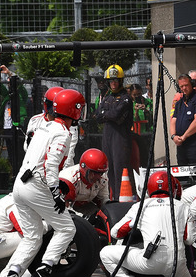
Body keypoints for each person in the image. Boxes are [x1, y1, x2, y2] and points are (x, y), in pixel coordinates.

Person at [0, 88, 85, 277]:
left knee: (32, 235)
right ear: (75, 110)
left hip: (20, 185)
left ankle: (9, 276)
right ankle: (45, 268)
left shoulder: (45, 126)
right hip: (37, 185)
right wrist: (56, 192)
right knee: (67, 228)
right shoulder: (63, 133)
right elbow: (50, 166)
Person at [99, 170, 196, 277]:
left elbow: (116, 233)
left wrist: (133, 224)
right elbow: (190, 240)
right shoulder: (184, 206)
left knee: (105, 253)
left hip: (149, 262)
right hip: (176, 262)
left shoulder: (140, 206)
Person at [94, 65, 134, 199]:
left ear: (121, 81)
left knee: (119, 169)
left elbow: (116, 115)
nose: (113, 83)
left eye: (116, 80)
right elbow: (98, 116)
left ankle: (120, 199)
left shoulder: (126, 98)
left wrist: (107, 114)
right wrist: (108, 115)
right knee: (108, 170)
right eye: (111, 81)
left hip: (120, 138)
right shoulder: (107, 97)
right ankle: (110, 198)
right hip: (107, 137)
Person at [24, 86, 78, 169]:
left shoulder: (70, 124)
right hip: (36, 168)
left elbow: (69, 153)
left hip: (61, 168)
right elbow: (27, 147)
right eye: (52, 105)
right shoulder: (35, 120)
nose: (55, 109)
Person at [0, 64, 29, 169]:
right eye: (8, 83)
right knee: (11, 153)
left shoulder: (21, 94)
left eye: (11, 83)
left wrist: (9, 72)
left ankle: (21, 169)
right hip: (7, 127)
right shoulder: (7, 96)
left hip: (18, 126)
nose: (9, 85)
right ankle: (13, 172)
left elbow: (21, 84)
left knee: (19, 151)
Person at [59, 148, 109, 218]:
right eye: (94, 173)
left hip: (84, 206)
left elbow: (103, 200)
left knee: (102, 218)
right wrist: (84, 217)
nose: (97, 177)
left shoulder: (103, 179)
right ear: (83, 168)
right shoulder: (68, 180)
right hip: (60, 207)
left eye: (100, 173)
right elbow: (64, 209)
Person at [170, 74, 196, 165]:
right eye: (181, 86)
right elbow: (173, 121)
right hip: (181, 146)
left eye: (186, 85)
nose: (184, 88)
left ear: (192, 85)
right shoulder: (179, 103)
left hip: (194, 145)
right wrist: (173, 136)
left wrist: (184, 137)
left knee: (195, 174)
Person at [131, 84, 153, 167]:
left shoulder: (148, 102)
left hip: (148, 133)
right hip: (137, 133)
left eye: (139, 94)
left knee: (148, 155)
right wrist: (136, 111)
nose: (137, 96)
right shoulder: (130, 105)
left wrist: (146, 109)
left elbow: (153, 115)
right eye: (134, 95)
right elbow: (134, 119)